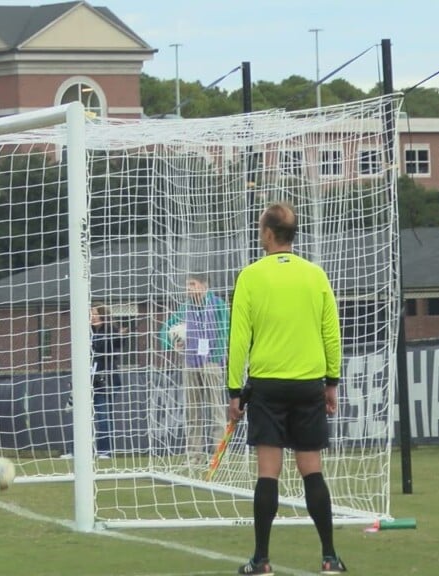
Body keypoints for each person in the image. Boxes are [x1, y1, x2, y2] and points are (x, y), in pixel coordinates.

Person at [226, 202, 347, 575]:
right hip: (308, 385)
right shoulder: (315, 276)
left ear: (267, 233)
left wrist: (234, 391)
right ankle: (329, 557)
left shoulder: (251, 276)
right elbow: (331, 332)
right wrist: (332, 382)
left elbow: (238, 338)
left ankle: (261, 560)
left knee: (268, 473)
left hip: (268, 387)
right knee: (312, 470)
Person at [159, 272, 230, 464]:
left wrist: (219, 354)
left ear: (203, 286)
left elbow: (227, 330)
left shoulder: (218, 305)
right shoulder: (184, 309)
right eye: (187, 285)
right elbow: (166, 328)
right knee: (192, 411)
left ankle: (218, 454)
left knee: (216, 409)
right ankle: (193, 455)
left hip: (212, 362)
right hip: (190, 362)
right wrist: (172, 342)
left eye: (192, 284)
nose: (188, 288)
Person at [61, 305, 129, 459]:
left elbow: (113, 347)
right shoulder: (84, 332)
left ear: (102, 315)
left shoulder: (110, 331)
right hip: (86, 379)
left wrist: (120, 336)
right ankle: (74, 451)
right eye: (90, 313)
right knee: (79, 416)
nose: (91, 316)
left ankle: (104, 451)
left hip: (105, 380)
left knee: (103, 415)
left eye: (94, 313)